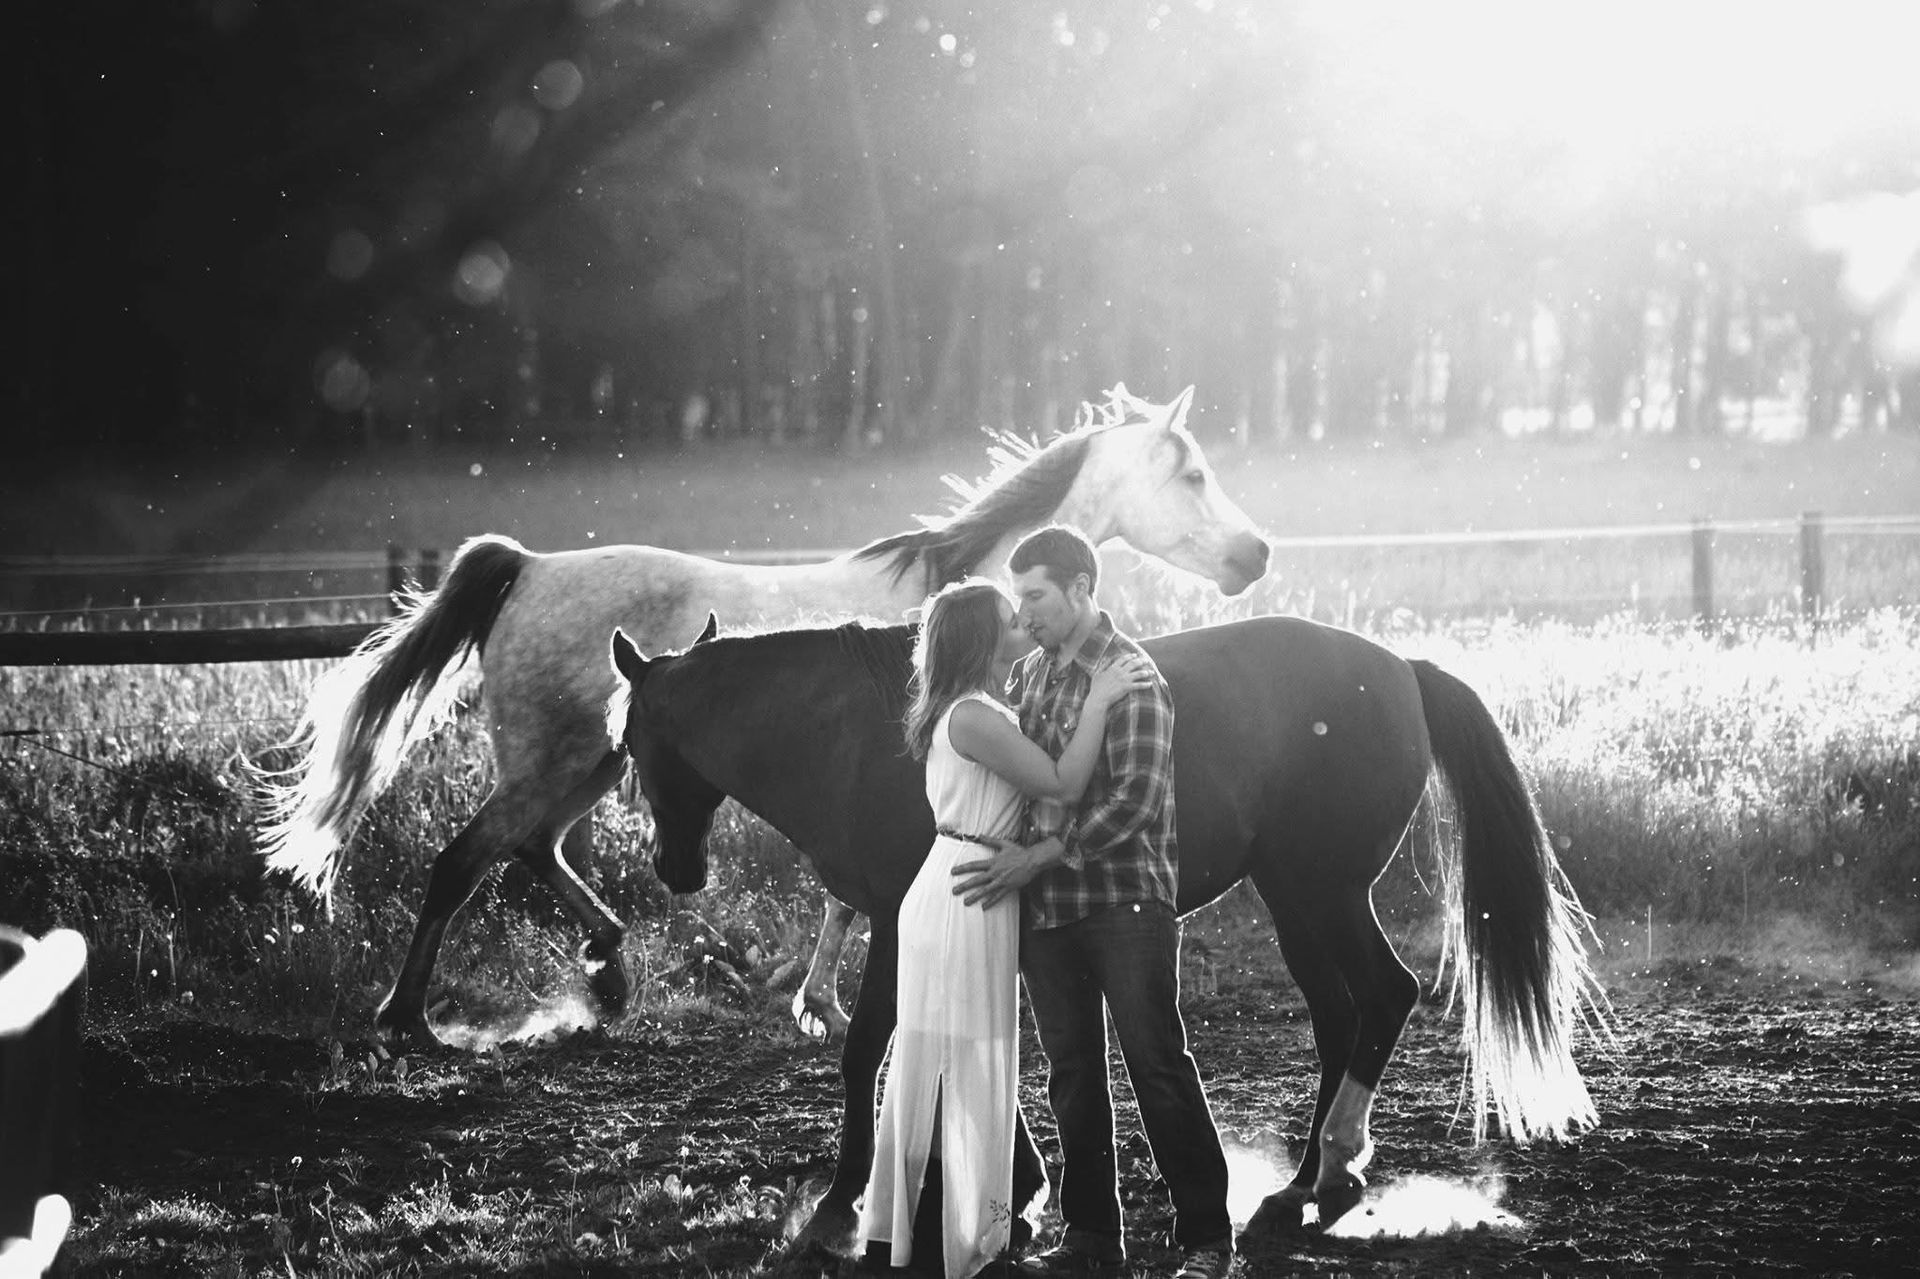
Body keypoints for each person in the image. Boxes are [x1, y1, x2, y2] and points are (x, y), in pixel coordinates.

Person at [952, 524, 1236, 1279]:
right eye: (1019, 599)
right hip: (1047, 908)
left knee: (1156, 1063)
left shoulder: (1131, 675)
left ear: (1081, 588)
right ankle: (1090, 1239)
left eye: (1037, 596)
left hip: (1122, 900)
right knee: (1072, 1074)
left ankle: (1208, 1240)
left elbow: (1134, 802)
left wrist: (1037, 856)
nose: (1025, 614)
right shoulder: (1030, 675)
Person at [858, 577, 1153, 1278]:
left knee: (963, 1053)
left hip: (974, 882)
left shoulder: (981, 708)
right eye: (1008, 618)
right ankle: (936, 1231)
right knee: (955, 1055)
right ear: (982, 639)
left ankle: (956, 1217)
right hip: (967, 888)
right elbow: (1062, 783)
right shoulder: (972, 716)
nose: (1022, 620)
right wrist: (1101, 699)